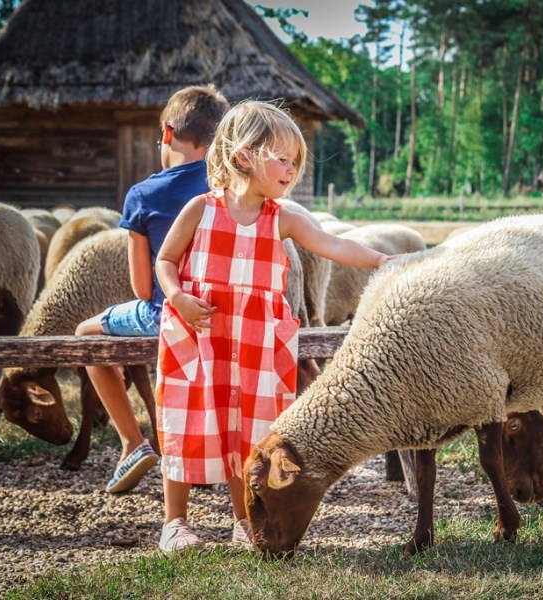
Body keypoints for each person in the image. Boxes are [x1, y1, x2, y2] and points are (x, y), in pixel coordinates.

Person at [154, 100, 392, 553]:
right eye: (282, 158)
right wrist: (178, 297)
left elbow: (333, 243)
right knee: (189, 423)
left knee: (250, 433)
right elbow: (165, 259)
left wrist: (383, 259)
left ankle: (244, 521)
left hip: (257, 343)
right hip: (202, 338)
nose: (291, 169)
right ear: (244, 156)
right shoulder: (200, 210)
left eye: (295, 161)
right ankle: (175, 521)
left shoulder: (281, 218)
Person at [75, 85, 230, 494]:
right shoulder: (232, 186)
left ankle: (132, 442)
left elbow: (143, 288)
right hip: (228, 312)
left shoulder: (143, 194)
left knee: (85, 336)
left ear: (166, 132)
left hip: (169, 312)